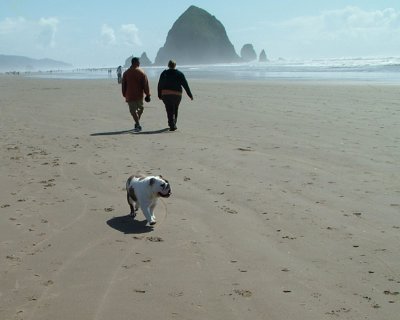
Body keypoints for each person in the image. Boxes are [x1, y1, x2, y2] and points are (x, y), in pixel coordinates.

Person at [157, 60, 193, 131]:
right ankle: (174, 123)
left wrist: (159, 94)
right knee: (175, 108)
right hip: (177, 94)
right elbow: (185, 85)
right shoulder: (180, 74)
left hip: (166, 94)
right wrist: (190, 95)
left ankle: (171, 124)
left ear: (168, 65)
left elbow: (160, 84)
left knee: (169, 109)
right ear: (175, 65)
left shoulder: (164, 73)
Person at [122, 57, 151, 132]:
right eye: (138, 62)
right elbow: (145, 84)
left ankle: (137, 122)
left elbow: (123, 85)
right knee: (139, 109)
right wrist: (148, 94)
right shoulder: (141, 72)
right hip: (137, 95)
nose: (139, 63)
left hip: (130, 94)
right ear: (135, 63)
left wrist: (124, 93)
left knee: (135, 110)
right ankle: (138, 124)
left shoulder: (126, 73)